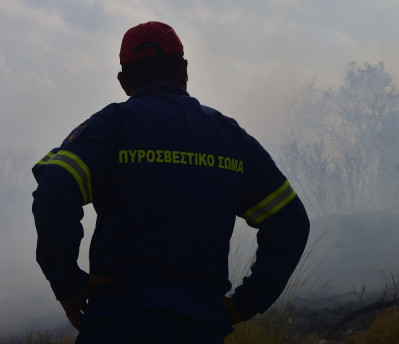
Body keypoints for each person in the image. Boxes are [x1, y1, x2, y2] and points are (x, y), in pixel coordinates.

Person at [31, 21, 310, 343]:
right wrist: (245, 304)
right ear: (184, 71)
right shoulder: (232, 138)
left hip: (117, 323)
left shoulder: (110, 127)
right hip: (199, 325)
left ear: (123, 82)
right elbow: (289, 220)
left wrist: (68, 284)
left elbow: (53, 193)